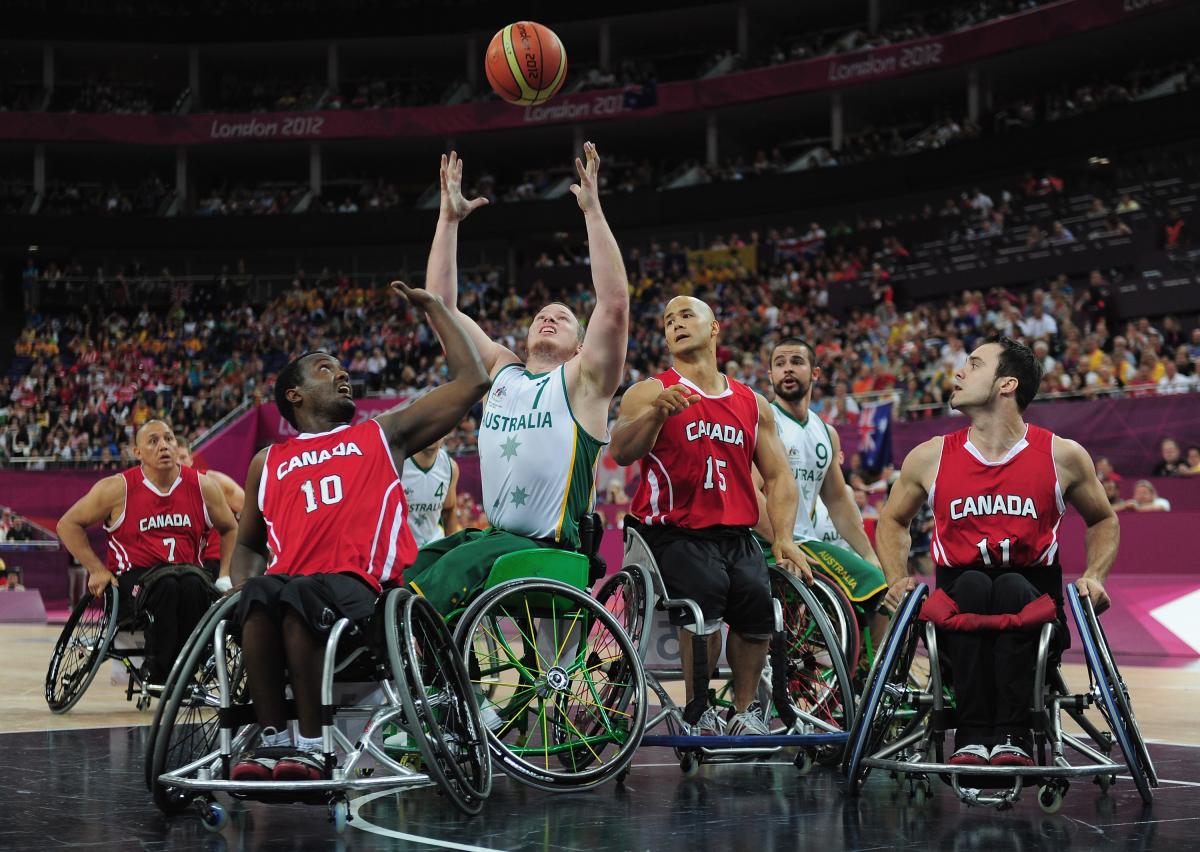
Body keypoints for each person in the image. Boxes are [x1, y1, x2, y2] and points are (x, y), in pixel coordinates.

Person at [227, 281, 489, 782]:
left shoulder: (381, 435)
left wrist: (436, 310)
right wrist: (239, 588)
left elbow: (472, 381)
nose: (342, 373)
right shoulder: (268, 461)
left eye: (341, 367)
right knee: (260, 594)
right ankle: (272, 740)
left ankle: (309, 742)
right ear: (294, 394)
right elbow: (246, 545)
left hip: (362, 596)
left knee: (296, 592)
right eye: (326, 368)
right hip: (291, 594)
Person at [403, 145, 629, 613]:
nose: (548, 318)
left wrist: (593, 212)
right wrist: (447, 221)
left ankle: (419, 671)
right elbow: (439, 308)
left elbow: (613, 304)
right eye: (542, 315)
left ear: (583, 344)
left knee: (425, 598)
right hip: (498, 541)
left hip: (549, 549)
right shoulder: (501, 369)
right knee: (405, 570)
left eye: (562, 317)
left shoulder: (585, 379)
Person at [879, 336, 1117, 768]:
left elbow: (1104, 520)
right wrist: (897, 578)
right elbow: (892, 521)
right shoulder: (929, 457)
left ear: (1007, 385)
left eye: (973, 364)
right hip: (955, 609)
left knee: (1008, 585)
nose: (958, 373)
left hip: (1035, 609)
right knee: (971, 583)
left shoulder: (1061, 455)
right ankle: (972, 737)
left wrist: (1096, 574)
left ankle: (1013, 734)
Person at [610, 296, 809, 737]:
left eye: (686, 315)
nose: (676, 324)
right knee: (707, 594)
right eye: (668, 320)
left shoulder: (752, 403)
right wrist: (657, 414)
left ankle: (743, 712)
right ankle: (698, 711)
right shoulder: (650, 389)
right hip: (673, 532)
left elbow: (779, 477)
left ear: (714, 327)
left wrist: (785, 537)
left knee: (758, 606)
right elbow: (621, 450)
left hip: (735, 533)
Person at [56, 420, 238, 684]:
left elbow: (231, 528)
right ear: (137, 452)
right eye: (153, 441)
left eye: (169, 438)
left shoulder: (203, 486)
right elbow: (67, 524)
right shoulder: (117, 488)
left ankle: (187, 668)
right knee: (168, 586)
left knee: (191, 584)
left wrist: (224, 574)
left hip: (188, 573)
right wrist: (96, 569)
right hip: (135, 581)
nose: (163, 445)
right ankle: (160, 671)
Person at [751, 338, 888, 647]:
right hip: (769, 541)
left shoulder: (826, 432)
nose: (787, 369)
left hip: (805, 542)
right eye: (779, 363)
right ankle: (871, 686)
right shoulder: (763, 424)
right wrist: (780, 544)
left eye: (796, 362)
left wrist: (868, 553)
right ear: (770, 375)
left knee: (880, 586)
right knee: (876, 587)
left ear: (815, 374)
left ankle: (863, 681)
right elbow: (753, 492)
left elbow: (838, 500)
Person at [177, 437, 245, 585]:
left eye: (182, 457)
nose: (179, 463)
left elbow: (250, 510)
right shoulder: (162, 492)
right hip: (184, 564)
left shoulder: (214, 481)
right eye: (175, 458)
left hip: (216, 561)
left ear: (191, 459)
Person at [402, 436, 459, 548]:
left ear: (446, 433)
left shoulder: (450, 467)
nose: (434, 432)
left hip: (433, 548)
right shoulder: (398, 463)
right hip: (400, 552)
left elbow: (449, 510)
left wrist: (452, 551)